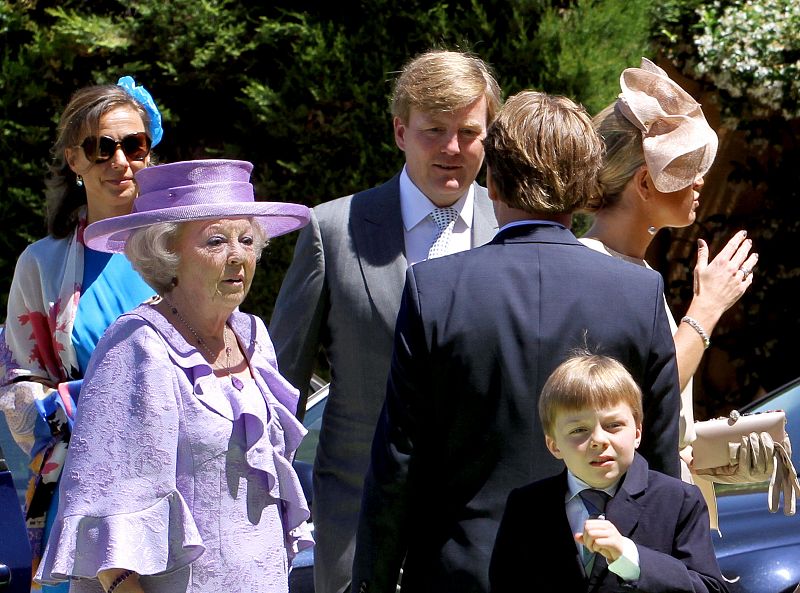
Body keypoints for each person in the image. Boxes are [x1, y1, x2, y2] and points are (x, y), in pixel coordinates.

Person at [352, 90, 681, 593]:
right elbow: (656, 459)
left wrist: (372, 584)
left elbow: (399, 460)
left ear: (492, 181)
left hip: (463, 574)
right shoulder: (637, 293)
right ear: (585, 186)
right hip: (596, 572)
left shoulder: (435, 289)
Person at [269, 49, 501, 593]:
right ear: (400, 132)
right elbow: (281, 385)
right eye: (433, 131)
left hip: (485, 525)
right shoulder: (333, 230)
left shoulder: (514, 229)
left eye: (469, 132)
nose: (451, 149)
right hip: (359, 525)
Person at [34, 159, 314, 593]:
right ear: (167, 253)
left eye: (246, 240)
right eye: (216, 241)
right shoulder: (138, 344)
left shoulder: (252, 336)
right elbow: (106, 516)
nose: (238, 256)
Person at [579, 57, 761, 525]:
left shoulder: (628, 267)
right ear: (645, 182)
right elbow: (637, 395)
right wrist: (707, 308)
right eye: (686, 166)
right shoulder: (596, 269)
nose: (700, 181)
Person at [0, 77, 163, 592]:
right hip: (81, 494)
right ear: (75, 160)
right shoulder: (41, 264)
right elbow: (16, 383)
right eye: (102, 147)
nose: (120, 161)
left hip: (178, 484)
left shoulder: (185, 249)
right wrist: (84, 410)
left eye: (133, 145)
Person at [489, 353, 728, 593]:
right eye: (579, 430)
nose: (599, 440)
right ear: (554, 445)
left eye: (613, 425)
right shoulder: (527, 506)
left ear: (637, 433)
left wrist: (630, 556)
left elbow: (711, 588)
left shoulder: (679, 500)